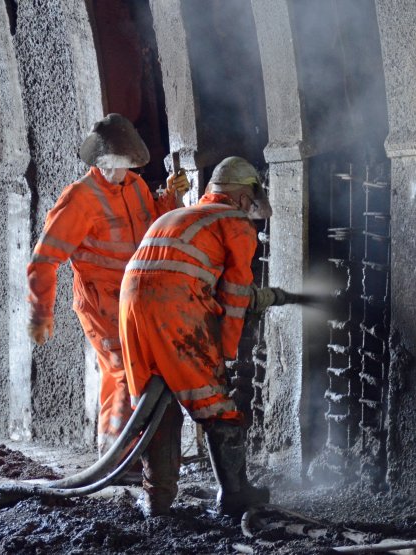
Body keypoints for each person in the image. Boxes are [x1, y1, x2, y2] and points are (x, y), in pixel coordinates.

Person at [118, 156, 278, 517]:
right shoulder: (235, 223)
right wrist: (224, 351)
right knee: (213, 401)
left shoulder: (182, 215)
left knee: (151, 400)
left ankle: (156, 501)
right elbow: (236, 295)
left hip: (129, 305)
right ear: (241, 197)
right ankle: (235, 494)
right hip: (173, 303)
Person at [27, 113, 189, 454]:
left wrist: (170, 198)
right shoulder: (79, 199)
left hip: (134, 301)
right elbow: (44, 260)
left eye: (127, 166)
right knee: (123, 372)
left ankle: (117, 453)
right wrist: (41, 313)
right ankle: (116, 457)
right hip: (101, 303)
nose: (121, 173)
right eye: (115, 166)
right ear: (100, 162)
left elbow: (152, 224)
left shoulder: (135, 186)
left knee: (128, 373)